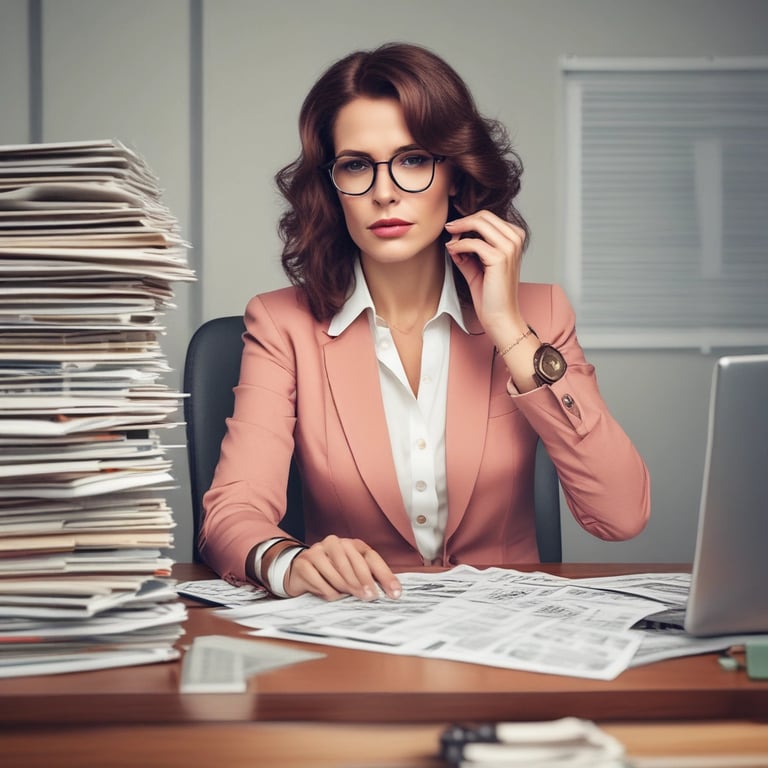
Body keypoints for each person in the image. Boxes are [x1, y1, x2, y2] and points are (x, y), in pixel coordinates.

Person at [199, 42, 650, 601]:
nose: (384, 192)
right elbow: (232, 511)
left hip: (508, 640)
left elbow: (621, 514)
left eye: (413, 160)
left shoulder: (540, 314)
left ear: (455, 176)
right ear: (332, 187)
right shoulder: (281, 323)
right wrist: (286, 560)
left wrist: (510, 329)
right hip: (353, 639)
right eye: (357, 165)